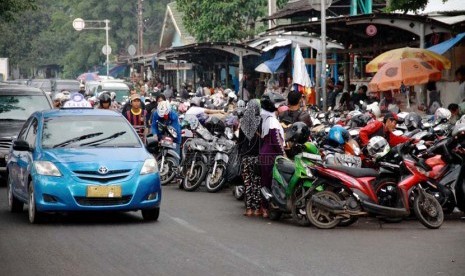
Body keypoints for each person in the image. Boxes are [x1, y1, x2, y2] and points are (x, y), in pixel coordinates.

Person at [259, 92, 286, 218]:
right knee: (270, 181)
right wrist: (283, 154)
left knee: (266, 181)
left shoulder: (267, 119)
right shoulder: (272, 121)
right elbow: (276, 141)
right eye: (279, 105)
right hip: (271, 154)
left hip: (265, 153)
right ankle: (266, 207)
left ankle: (264, 207)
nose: (280, 107)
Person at [238, 99, 262, 217]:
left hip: (245, 157)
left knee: (247, 183)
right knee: (257, 183)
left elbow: (240, 142)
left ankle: (248, 209)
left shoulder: (243, 122)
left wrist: (240, 156)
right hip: (257, 157)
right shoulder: (260, 122)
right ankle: (257, 209)